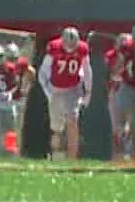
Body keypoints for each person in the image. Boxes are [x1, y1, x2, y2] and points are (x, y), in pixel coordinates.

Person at [39, 26, 94, 161]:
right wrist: (49, 92)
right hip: (55, 88)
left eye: (73, 44)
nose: (70, 47)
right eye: (67, 44)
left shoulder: (82, 49)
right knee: (57, 128)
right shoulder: (54, 47)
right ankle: (56, 156)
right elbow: (43, 72)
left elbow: (87, 70)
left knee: (72, 121)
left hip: (73, 88)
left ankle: (72, 158)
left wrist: (88, 92)